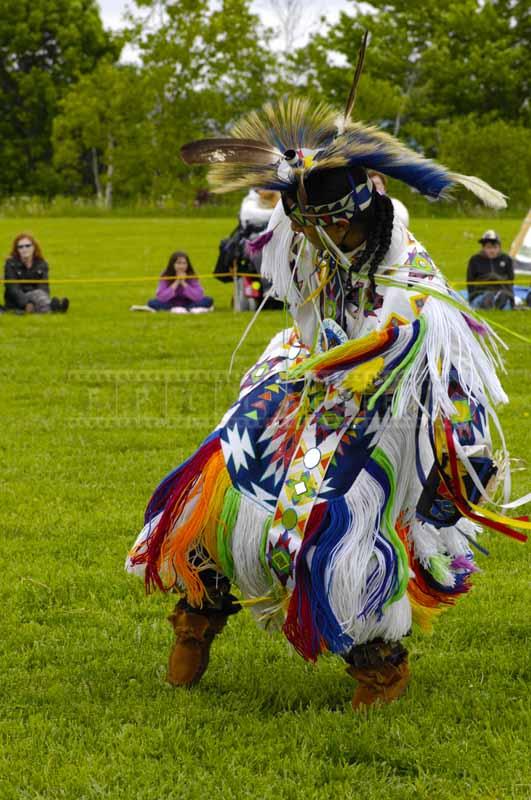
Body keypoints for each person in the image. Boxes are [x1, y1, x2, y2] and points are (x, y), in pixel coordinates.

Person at [127, 97, 527, 711]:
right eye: (311, 223)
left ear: (366, 212)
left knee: (332, 519)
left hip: (386, 405)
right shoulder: (304, 234)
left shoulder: (416, 287)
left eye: (335, 223)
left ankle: (377, 662)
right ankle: (196, 612)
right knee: (221, 470)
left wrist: (458, 458)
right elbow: (296, 295)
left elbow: (452, 378)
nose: (324, 235)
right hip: (306, 375)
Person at [4, 233, 68, 313]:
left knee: (39, 294)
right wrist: (25, 303)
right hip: (18, 301)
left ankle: (54, 308)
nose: (24, 249)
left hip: (38, 299)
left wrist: (39, 298)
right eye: (20, 247)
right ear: (17, 250)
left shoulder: (42, 264)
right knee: (37, 294)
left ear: (34, 247)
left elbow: (44, 286)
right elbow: (13, 288)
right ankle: (55, 308)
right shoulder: (10, 264)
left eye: (27, 246)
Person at [145, 252, 213, 314]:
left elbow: (198, 296)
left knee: (208, 300)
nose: (181, 266)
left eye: (184, 263)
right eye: (178, 263)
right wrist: (177, 281)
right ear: (172, 264)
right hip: (170, 303)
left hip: (189, 302)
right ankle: (185, 309)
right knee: (152, 302)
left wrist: (183, 283)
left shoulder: (192, 274)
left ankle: (184, 309)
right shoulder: (166, 274)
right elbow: (161, 297)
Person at [467, 231, 514, 310]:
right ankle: (487, 300)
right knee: (478, 302)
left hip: (502, 290)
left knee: (506, 305)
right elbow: (470, 281)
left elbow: (511, 280)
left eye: (495, 247)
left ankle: (499, 300)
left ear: (499, 247)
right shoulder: (475, 260)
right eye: (489, 247)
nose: (492, 250)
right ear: (483, 248)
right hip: (481, 292)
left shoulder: (506, 259)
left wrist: (509, 295)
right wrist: (472, 296)